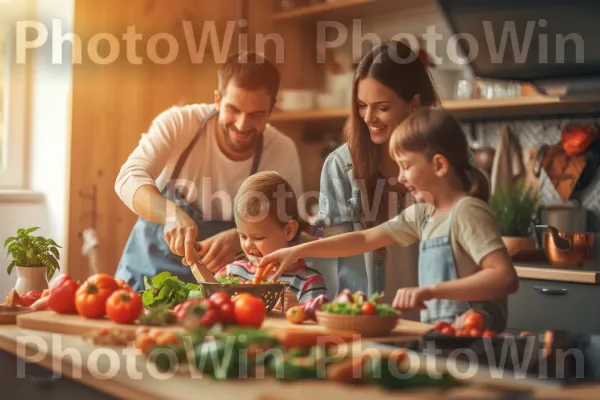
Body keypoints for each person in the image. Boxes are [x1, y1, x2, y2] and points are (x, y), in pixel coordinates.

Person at [259, 107, 519, 332]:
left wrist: (431, 291)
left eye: (406, 166)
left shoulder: (467, 211)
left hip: (474, 340)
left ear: (439, 165)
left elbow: (504, 277)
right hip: (442, 337)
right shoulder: (423, 213)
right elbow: (364, 238)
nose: (401, 177)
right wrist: (295, 251)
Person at [114, 52, 303, 291]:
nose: (242, 125)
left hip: (219, 292)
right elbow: (128, 178)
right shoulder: (179, 123)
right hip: (143, 279)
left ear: (272, 109)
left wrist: (240, 237)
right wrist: (171, 215)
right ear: (217, 99)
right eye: (233, 110)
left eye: (256, 115)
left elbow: (293, 227)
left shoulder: (282, 151)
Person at [309, 40, 439, 302]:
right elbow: (331, 245)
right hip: (369, 315)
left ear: (413, 104)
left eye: (382, 107)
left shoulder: (446, 159)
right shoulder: (341, 166)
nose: (368, 118)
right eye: (361, 105)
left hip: (438, 318)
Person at [215, 171, 327, 311]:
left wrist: (297, 308)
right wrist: (196, 263)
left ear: (289, 231)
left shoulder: (308, 282)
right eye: (243, 236)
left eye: (258, 237)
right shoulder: (233, 272)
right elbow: (209, 301)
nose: (248, 245)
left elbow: (315, 322)